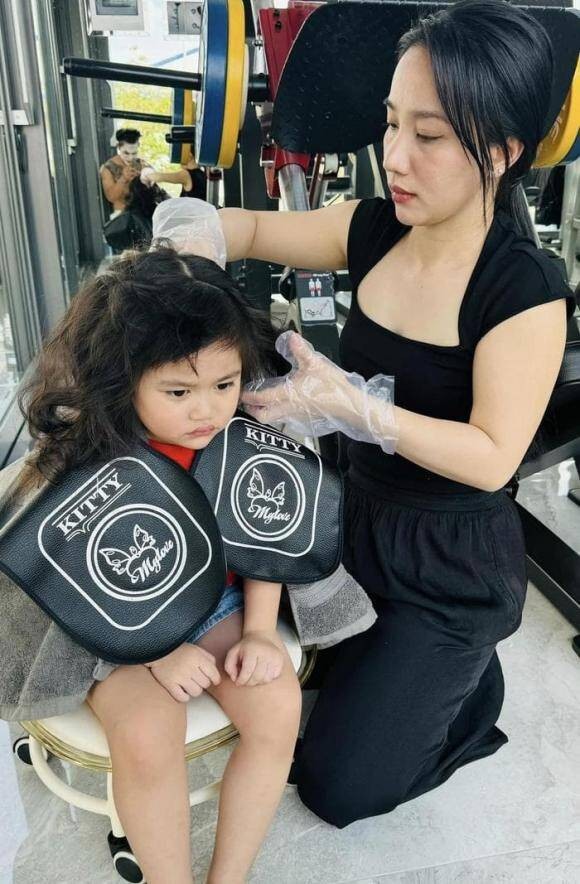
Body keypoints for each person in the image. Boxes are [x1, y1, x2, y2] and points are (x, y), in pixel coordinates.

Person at [204, 0, 574, 827]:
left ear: (502, 152)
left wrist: (360, 409)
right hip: (348, 518)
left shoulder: (523, 289)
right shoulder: (372, 228)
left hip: (445, 563)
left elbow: (493, 456)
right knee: (245, 666)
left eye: (429, 135)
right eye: (391, 122)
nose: (395, 156)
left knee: (337, 786)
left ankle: (469, 688)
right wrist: (200, 230)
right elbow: (253, 225)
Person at [0, 249, 301, 884]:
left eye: (224, 385)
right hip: (105, 627)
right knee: (145, 731)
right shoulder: (88, 455)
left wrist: (258, 630)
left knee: (277, 707)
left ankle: (229, 877)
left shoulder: (240, 439)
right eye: (178, 392)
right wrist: (155, 653)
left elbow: (264, 534)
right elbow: (72, 580)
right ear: (121, 380)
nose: (206, 411)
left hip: (212, 602)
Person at [100, 128, 153, 215]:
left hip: (144, 213)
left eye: (134, 153)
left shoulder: (141, 164)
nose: (130, 158)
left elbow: (155, 187)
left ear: (138, 146)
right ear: (118, 147)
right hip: (123, 216)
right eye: (126, 153)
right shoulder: (108, 169)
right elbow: (111, 197)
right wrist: (123, 179)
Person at [141, 148, 207, 201]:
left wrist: (145, 173)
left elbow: (158, 177)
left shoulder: (186, 175)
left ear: (189, 155)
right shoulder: (202, 174)